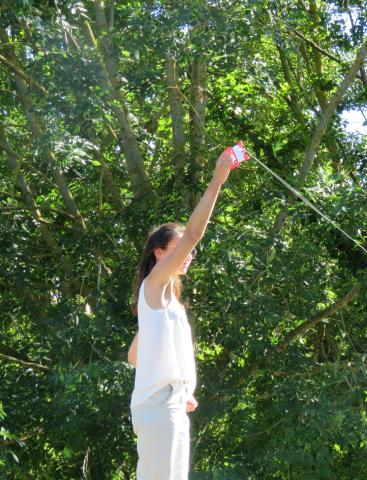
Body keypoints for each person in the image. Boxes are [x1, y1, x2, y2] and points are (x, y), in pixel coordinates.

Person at [126, 149, 235, 479]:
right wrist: (218, 179)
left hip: (167, 405)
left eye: (188, 252)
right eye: (178, 250)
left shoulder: (165, 302)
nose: (188, 254)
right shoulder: (154, 285)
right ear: (159, 253)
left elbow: (134, 356)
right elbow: (194, 233)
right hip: (159, 408)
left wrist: (178, 385)